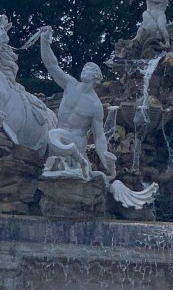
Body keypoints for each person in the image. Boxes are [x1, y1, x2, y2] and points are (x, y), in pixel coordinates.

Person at [39, 27, 116, 180]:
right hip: (58, 138)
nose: (84, 69)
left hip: (74, 141)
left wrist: (105, 161)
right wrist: (44, 41)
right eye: (84, 67)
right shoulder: (70, 84)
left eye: (89, 69)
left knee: (53, 134)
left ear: (96, 77)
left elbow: (99, 136)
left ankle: (79, 160)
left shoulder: (95, 105)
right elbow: (52, 65)